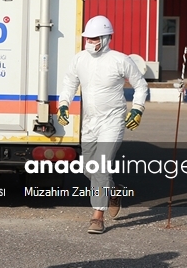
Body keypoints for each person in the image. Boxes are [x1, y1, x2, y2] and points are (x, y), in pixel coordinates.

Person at [57, 15, 148, 234]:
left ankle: (97, 216)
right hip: (89, 122)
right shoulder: (79, 59)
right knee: (89, 167)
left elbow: (141, 85)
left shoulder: (120, 60)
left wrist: (137, 109)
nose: (90, 41)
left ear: (106, 38)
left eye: (95, 38)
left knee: (100, 166)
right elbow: (69, 83)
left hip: (113, 121)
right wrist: (63, 104)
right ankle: (113, 190)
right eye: (88, 37)